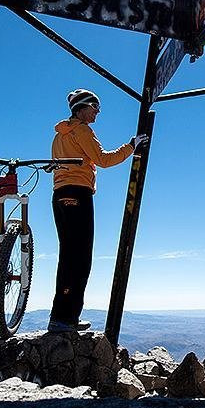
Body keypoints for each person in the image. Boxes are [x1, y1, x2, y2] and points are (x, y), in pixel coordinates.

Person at [48, 89, 147, 333]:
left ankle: (64, 316)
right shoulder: (81, 130)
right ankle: (64, 319)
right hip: (78, 194)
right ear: (82, 107)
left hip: (60, 195)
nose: (98, 112)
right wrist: (131, 146)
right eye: (95, 107)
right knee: (79, 259)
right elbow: (103, 159)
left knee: (69, 256)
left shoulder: (60, 135)